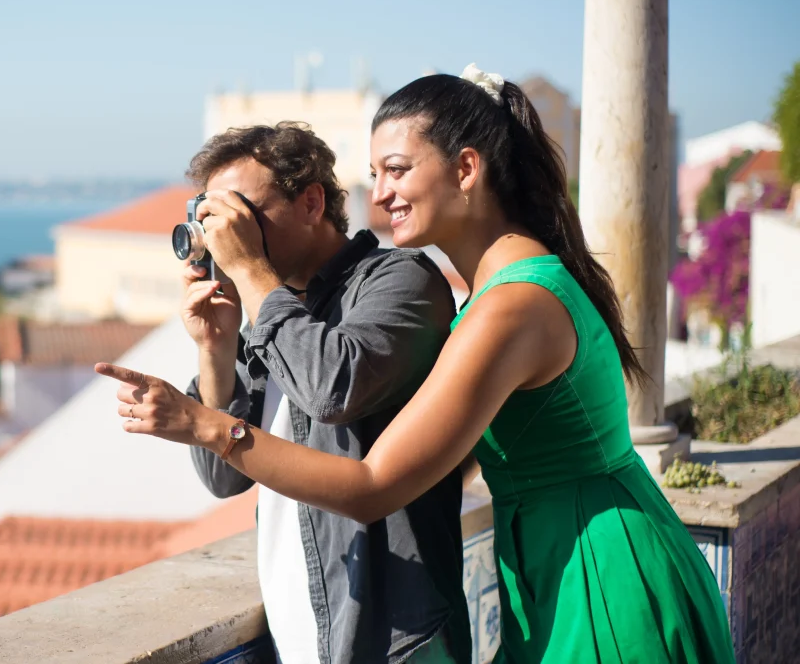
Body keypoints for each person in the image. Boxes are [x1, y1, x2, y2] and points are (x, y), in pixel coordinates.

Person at [97, 65, 735, 663]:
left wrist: (209, 419)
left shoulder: (511, 303)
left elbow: (373, 484)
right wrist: (217, 345)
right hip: (557, 553)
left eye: (397, 170)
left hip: (599, 566)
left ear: (465, 168)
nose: (380, 196)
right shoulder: (501, 288)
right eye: (374, 175)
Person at [173, 122, 471, 664]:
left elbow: (332, 391)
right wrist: (216, 350)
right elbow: (224, 475)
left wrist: (248, 272)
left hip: (396, 641)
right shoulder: (271, 313)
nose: (227, 236)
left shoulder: (400, 280)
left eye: (240, 214)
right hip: (303, 631)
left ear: (312, 203)